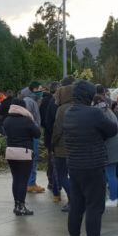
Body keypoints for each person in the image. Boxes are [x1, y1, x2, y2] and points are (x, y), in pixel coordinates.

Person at [63, 80, 118, 236]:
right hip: (93, 165)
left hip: (74, 165)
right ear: (89, 95)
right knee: (95, 207)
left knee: (76, 206)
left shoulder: (67, 113)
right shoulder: (94, 113)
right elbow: (112, 129)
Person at [3, 100, 39, 216]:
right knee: (23, 181)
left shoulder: (7, 120)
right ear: (23, 108)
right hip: (24, 153)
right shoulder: (27, 120)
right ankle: (21, 206)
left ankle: (16, 205)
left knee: (16, 179)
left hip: (11, 152)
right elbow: (37, 134)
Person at [51, 83, 75, 211]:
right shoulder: (77, 106)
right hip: (76, 147)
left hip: (62, 148)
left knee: (62, 175)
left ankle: (73, 200)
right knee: (74, 176)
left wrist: (52, 144)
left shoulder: (61, 109)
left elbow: (57, 130)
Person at [100, 97, 118, 208]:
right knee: (113, 175)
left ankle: (113, 199)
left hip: (111, 150)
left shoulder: (103, 115)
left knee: (110, 175)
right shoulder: (110, 112)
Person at [19, 82, 45, 194]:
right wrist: (33, 129)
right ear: (34, 89)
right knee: (33, 158)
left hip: (32, 133)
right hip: (32, 134)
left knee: (32, 158)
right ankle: (31, 184)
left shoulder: (32, 99)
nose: (41, 91)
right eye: (39, 89)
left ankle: (31, 183)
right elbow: (27, 117)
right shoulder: (28, 101)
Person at [40, 83, 60, 201]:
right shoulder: (54, 103)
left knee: (51, 160)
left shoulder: (44, 101)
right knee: (54, 161)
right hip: (54, 136)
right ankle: (54, 183)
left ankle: (52, 182)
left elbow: (44, 121)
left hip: (49, 135)